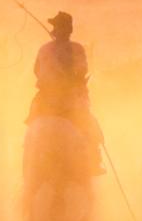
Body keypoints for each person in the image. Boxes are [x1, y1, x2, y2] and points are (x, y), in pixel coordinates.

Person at [28, 11, 102, 172]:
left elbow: (36, 70)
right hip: (70, 99)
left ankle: (28, 160)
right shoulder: (77, 48)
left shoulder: (44, 49)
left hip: (46, 98)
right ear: (70, 30)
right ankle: (94, 161)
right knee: (89, 124)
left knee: (32, 120)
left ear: (54, 29)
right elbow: (82, 71)